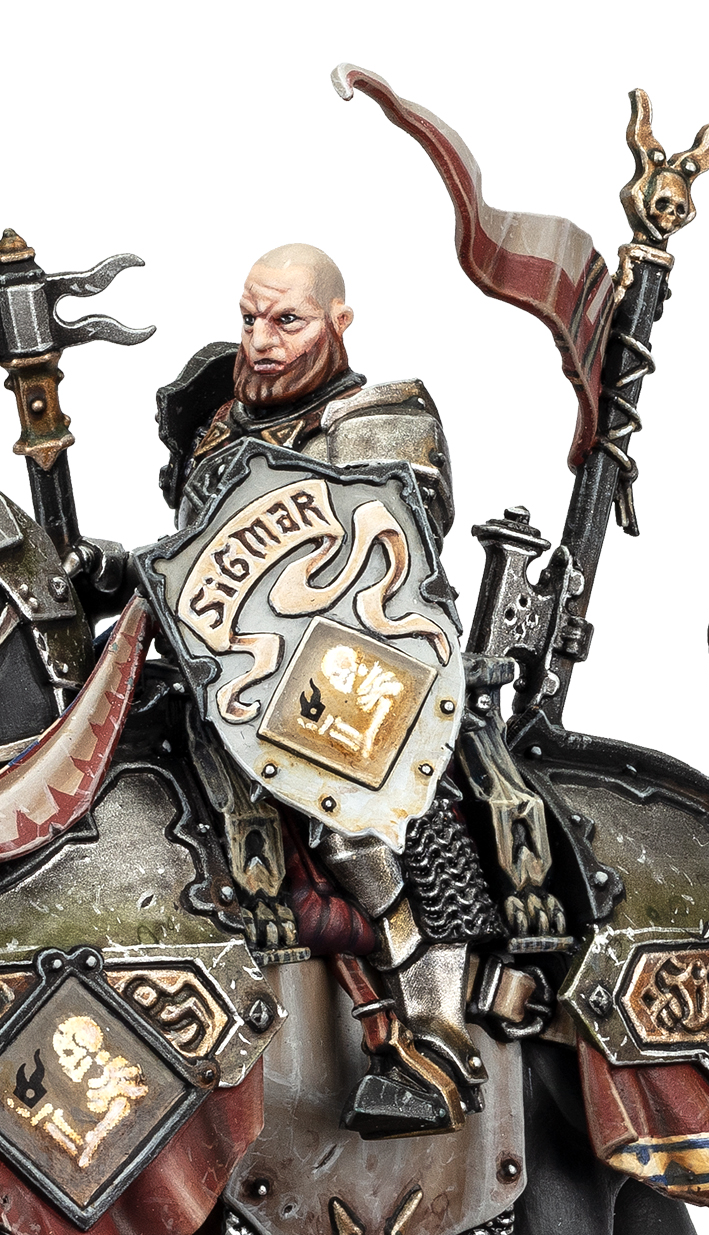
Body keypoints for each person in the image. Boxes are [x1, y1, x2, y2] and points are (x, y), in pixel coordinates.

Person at [157, 246, 501, 1137]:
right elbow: (188, 564)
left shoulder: (380, 420)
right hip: (230, 677)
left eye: (287, 321)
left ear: (338, 322)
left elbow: (393, 550)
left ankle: (436, 1037)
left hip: (359, 666)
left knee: (363, 814)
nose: (261, 342)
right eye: (249, 319)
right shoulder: (219, 431)